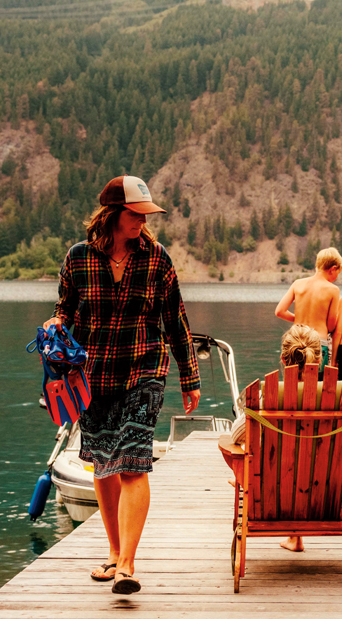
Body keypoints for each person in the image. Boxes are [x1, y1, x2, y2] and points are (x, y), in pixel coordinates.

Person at [46, 174, 200, 595]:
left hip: (144, 371)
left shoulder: (157, 258)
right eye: (136, 215)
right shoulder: (78, 258)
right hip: (91, 376)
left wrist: (189, 377)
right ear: (114, 215)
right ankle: (114, 553)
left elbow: (176, 320)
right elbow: (65, 310)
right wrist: (55, 326)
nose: (143, 223)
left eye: (147, 216)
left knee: (132, 462)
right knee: (101, 462)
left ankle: (129, 565)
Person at [227, 324, 321, 553]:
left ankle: (245, 478)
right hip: (325, 496)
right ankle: (296, 537)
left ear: (282, 358)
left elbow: (236, 435)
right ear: (319, 360)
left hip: (272, 493)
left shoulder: (266, 396)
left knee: (232, 448)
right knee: (305, 463)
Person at [275, 247, 342, 365]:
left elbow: (280, 311)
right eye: (338, 272)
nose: (337, 276)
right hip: (317, 343)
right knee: (319, 382)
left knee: (294, 381)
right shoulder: (333, 290)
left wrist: (297, 319)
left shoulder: (298, 284)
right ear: (333, 269)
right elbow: (331, 326)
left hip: (295, 342)